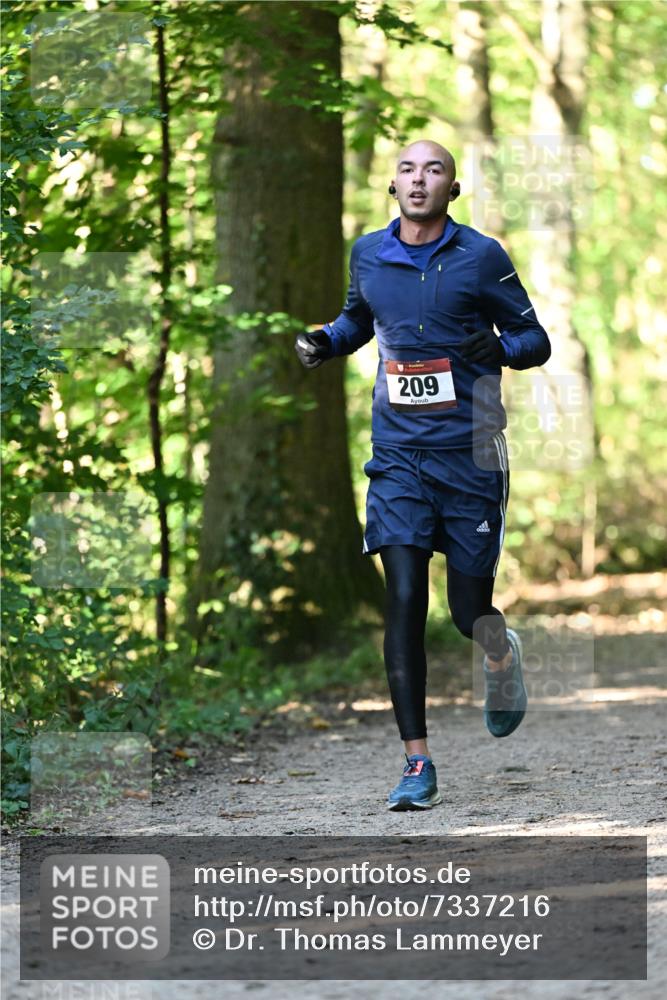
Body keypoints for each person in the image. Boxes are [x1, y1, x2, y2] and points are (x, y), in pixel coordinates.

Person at [295, 140, 551, 811]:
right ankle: (417, 762)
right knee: (402, 599)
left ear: (451, 189)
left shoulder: (482, 256)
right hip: (398, 457)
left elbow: (535, 340)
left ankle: (498, 651)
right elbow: (358, 318)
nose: (419, 179)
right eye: (408, 169)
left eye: (433, 169)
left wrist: (494, 348)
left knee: (465, 611)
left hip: (469, 454)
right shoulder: (367, 254)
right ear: (392, 185)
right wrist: (325, 339)